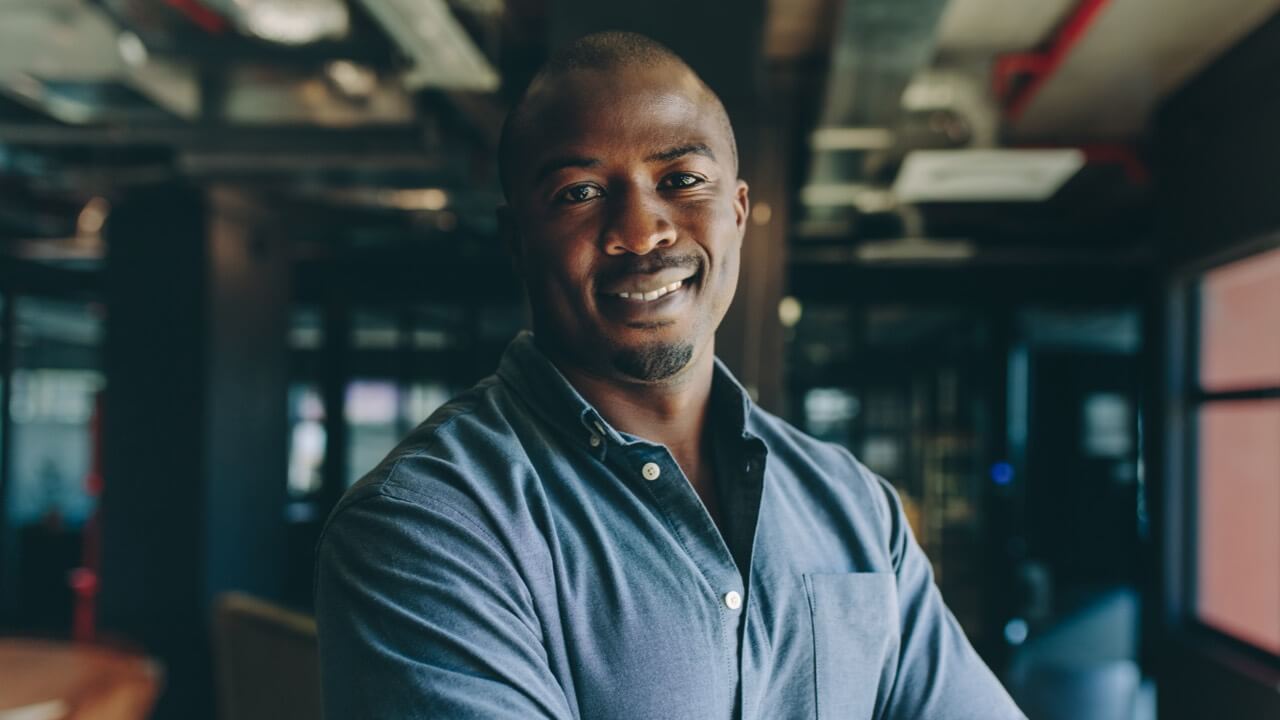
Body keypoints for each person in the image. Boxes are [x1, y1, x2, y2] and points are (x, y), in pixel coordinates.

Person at [315, 31, 1025, 720]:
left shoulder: (855, 506)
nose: (642, 230)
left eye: (681, 180)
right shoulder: (425, 528)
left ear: (738, 213)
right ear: (517, 241)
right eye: (580, 193)